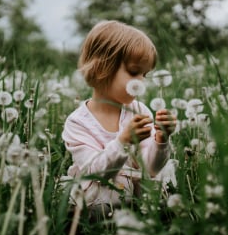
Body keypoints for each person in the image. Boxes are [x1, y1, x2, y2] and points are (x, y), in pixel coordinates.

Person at [62, 20, 176, 219]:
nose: (140, 81)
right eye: (133, 72)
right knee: (102, 198)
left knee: (160, 187)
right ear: (100, 67)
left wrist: (161, 139)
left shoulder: (140, 111)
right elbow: (95, 173)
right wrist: (122, 142)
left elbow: (151, 168)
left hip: (138, 190)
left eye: (145, 74)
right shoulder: (77, 122)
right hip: (101, 193)